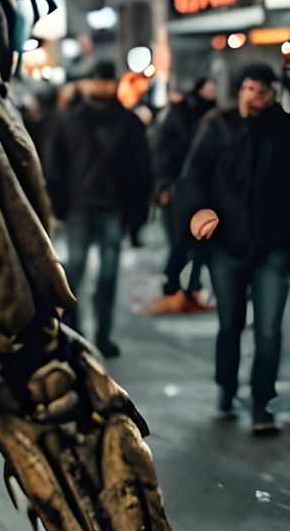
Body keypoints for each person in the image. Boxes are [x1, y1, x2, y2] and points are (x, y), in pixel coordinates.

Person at [177, 63, 290, 435]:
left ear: (273, 93)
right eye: (249, 89)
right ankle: (226, 388)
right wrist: (199, 210)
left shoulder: (283, 128)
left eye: (263, 91)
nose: (255, 97)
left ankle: (262, 403)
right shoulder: (217, 126)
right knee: (230, 323)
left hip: (274, 247)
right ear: (239, 89)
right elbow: (193, 175)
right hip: (226, 244)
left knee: (269, 329)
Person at [46, 59, 152, 358]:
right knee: (77, 271)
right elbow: (54, 166)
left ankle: (100, 335)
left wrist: (137, 211)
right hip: (81, 207)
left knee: (105, 274)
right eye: (99, 80)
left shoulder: (128, 123)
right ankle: (74, 330)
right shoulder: (70, 121)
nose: (103, 86)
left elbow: (142, 170)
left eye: (106, 80)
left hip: (109, 206)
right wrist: (59, 203)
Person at [148, 76, 216, 312]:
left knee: (196, 243)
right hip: (181, 188)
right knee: (182, 241)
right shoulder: (186, 116)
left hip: (198, 189)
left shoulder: (209, 117)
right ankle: (175, 286)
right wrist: (164, 185)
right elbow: (164, 153)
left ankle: (186, 287)